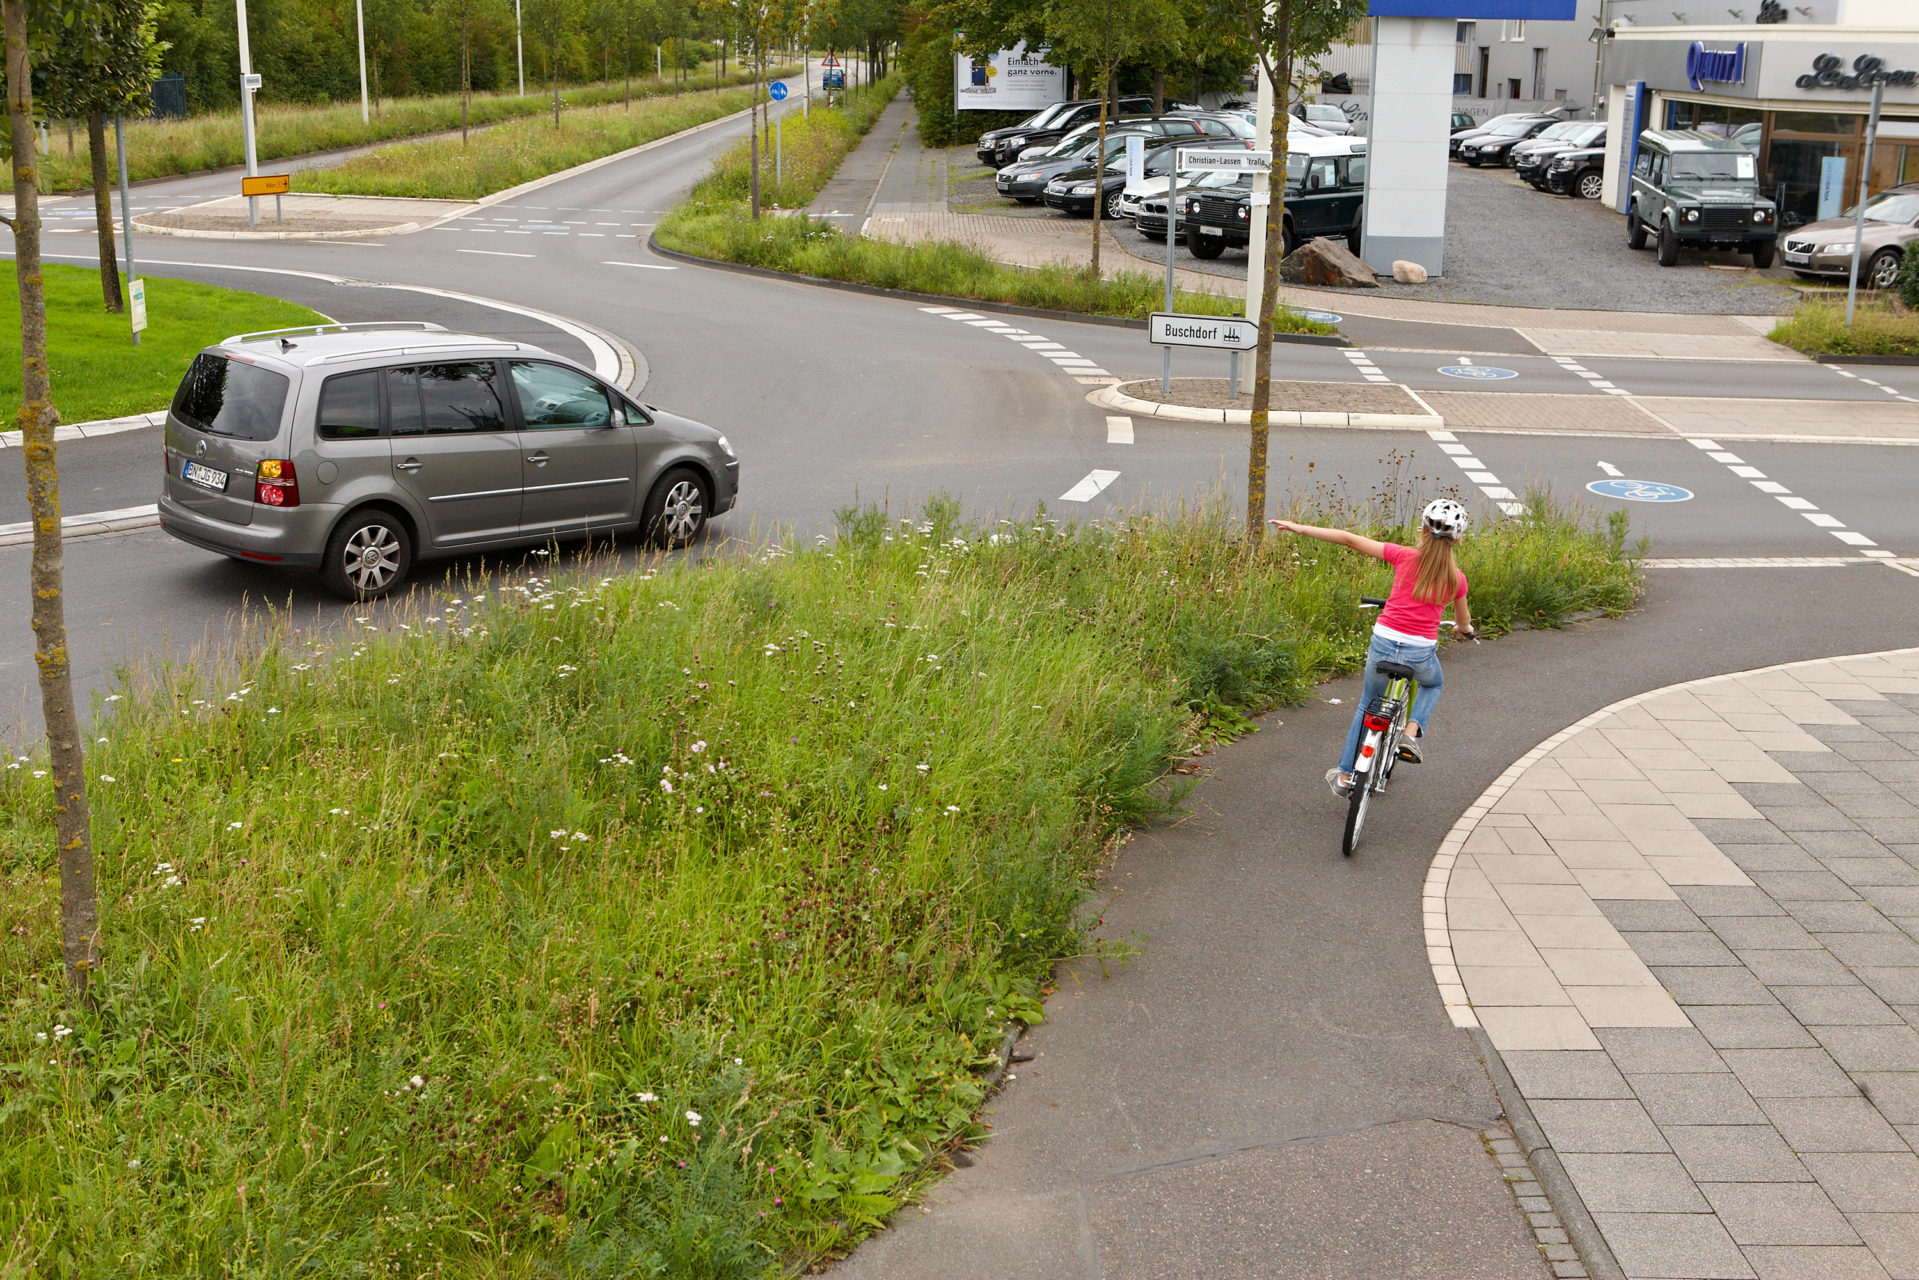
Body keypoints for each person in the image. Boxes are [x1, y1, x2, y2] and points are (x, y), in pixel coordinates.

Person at [1268, 499, 1476, 798]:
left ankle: (1344, 773)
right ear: (1457, 538)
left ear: (1422, 531)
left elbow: (1349, 539)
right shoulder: (1457, 579)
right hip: (1419, 651)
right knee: (1433, 683)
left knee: (1368, 704)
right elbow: (1463, 621)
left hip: (1383, 639)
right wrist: (1464, 630)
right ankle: (1411, 733)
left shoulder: (1403, 556)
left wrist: (1298, 527)